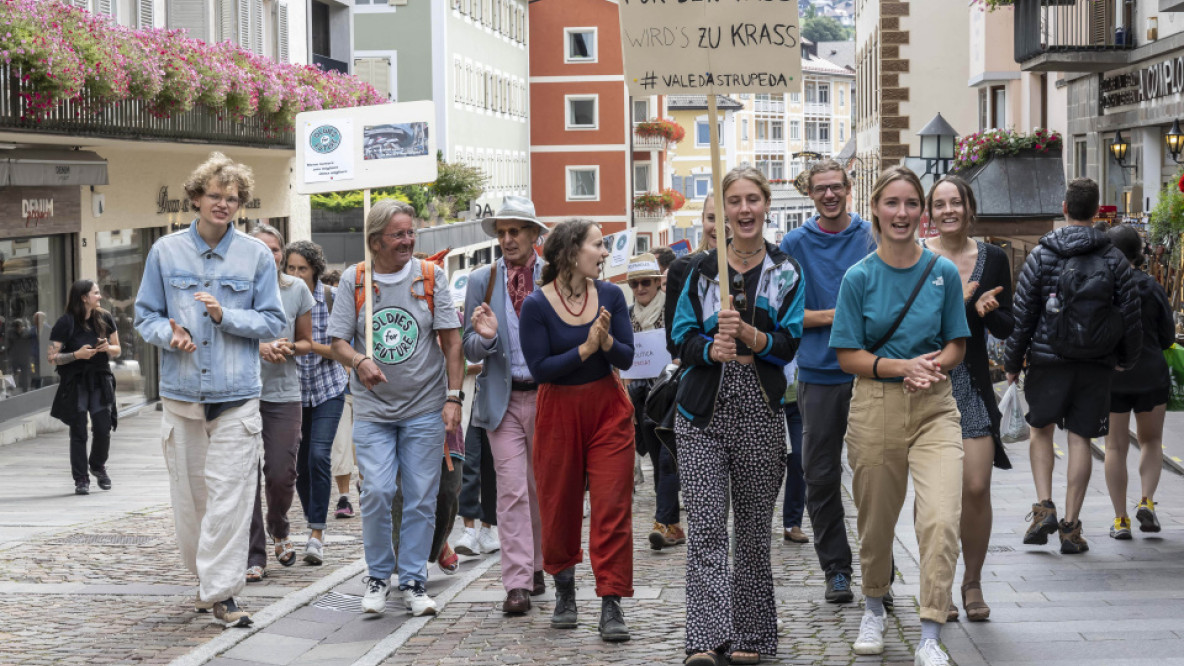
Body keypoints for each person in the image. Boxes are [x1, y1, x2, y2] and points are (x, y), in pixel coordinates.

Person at [134, 152, 285, 628]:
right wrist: (169, 334)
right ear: (197, 198)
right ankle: (206, 582)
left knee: (232, 498)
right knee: (191, 501)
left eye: (232, 198)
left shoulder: (256, 255)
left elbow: (273, 321)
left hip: (238, 395)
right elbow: (145, 317)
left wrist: (225, 316)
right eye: (215, 196)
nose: (223, 204)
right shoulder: (165, 251)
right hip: (181, 396)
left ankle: (223, 593)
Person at [830, 166, 969, 665]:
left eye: (912, 203)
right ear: (875, 208)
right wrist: (897, 367)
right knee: (876, 523)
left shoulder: (942, 273)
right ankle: (874, 605)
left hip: (935, 407)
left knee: (940, 519)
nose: (903, 213)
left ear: (923, 213)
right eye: (893, 203)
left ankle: (931, 634)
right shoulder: (859, 277)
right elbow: (847, 354)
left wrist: (930, 367)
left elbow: (956, 343)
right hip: (875, 405)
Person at [671, 166, 804, 666]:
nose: (744, 209)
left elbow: (791, 341)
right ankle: (705, 637)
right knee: (706, 526)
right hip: (701, 412)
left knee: (751, 530)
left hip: (761, 411)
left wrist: (752, 339)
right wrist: (712, 349)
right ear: (723, 210)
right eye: (735, 200)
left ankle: (751, 634)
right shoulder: (701, 271)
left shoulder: (786, 271)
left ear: (766, 205)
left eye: (753, 199)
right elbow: (679, 338)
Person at [326, 199, 464, 617]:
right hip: (373, 411)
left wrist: (453, 397)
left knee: (422, 495)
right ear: (375, 241)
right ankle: (377, 575)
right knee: (380, 491)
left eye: (410, 233)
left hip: (424, 407)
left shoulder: (430, 277)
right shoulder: (356, 279)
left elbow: (452, 341)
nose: (408, 241)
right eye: (399, 234)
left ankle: (413, 581)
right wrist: (359, 360)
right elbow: (337, 342)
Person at [1004, 178, 1141, 555]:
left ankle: (1043, 505)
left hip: (1048, 361)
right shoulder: (1113, 258)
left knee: (1040, 430)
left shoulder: (1043, 254)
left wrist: (1012, 362)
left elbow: (1024, 315)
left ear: (1064, 208)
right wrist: (1126, 359)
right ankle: (1070, 527)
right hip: (1095, 363)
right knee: (1080, 438)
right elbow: (1130, 315)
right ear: (1097, 212)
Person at [520, 219, 635, 642]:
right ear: (570, 251)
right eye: (598, 245)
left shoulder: (610, 295)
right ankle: (564, 591)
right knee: (559, 504)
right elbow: (540, 369)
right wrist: (585, 348)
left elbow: (625, 355)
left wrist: (604, 344)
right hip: (558, 411)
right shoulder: (536, 305)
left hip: (607, 407)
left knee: (612, 507)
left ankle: (611, 601)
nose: (604, 253)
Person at [778, 159, 876, 604]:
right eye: (821, 189)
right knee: (818, 476)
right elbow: (783, 316)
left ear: (850, 189)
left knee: (876, 476)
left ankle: (880, 571)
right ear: (810, 194)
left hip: (873, 373)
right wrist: (839, 316)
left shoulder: (871, 237)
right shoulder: (794, 244)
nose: (830, 195)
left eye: (837, 187)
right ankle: (836, 568)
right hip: (817, 375)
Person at [921, 176, 1014, 622]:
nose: (948, 210)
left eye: (955, 202)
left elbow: (1007, 325)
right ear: (930, 213)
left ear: (969, 207)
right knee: (940, 498)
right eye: (939, 204)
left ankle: (972, 581)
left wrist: (987, 313)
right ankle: (939, 586)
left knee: (976, 487)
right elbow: (914, 327)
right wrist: (958, 305)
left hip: (973, 386)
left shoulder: (994, 258)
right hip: (929, 383)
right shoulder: (918, 258)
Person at [463, 196, 548, 614]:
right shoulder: (483, 280)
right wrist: (489, 336)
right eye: (502, 233)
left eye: (516, 231)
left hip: (548, 398)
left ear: (534, 234)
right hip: (502, 399)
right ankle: (517, 582)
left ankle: (538, 565)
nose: (508, 239)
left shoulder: (553, 274)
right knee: (511, 490)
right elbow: (468, 345)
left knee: (540, 489)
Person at [244, 225, 315, 582]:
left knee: (281, 472)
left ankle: (280, 527)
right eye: (261, 247)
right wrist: (260, 348)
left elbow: (307, 342)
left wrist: (288, 348)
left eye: (274, 249)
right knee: (244, 476)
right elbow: (223, 335)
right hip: (241, 392)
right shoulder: (236, 287)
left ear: (282, 254)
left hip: (284, 393)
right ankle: (254, 554)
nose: (269, 254)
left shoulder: (296, 289)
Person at [1104, 225, 1173, 539]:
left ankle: (1120, 520)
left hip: (1113, 377)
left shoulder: (1103, 288)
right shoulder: (1152, 286)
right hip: (1150, 375)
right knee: (1151, 441)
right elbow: (1168, 336)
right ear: (1138, 254)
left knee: (1115, 447)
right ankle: (1146, 500)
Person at [285, 240, 349, 565]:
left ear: (315, 271)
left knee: (319, 456)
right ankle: (314, 519)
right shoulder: (281, 298)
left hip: (328, 389)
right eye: (291, 268)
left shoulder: (332, 298)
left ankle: (316, 534)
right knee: (299, 465)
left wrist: (308, 346)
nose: (296, 274)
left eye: (302, 269)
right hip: (293, 391)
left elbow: (343, 349)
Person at [624, 253, 684, 551]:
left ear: (658, 282)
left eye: (645, 282)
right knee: (657, 460)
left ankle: (662, 522)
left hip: (673, 392)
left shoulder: (672, 309)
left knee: (667, 457)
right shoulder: (626, 314)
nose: (640, 288)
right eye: (635, 284)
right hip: (641, 396)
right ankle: (672, 523)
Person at [49, 280, 121, 495]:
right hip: (76, 383)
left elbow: (117, 349)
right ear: (83, 297)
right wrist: (76, 355)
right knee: (78, 431)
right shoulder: (66, 322)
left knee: (102, 428)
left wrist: (108, 347)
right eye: (96, 293)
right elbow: (51, 357)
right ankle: (81, 478)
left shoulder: (105, 317)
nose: (100, 296)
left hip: (100, 379)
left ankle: (98, 465)